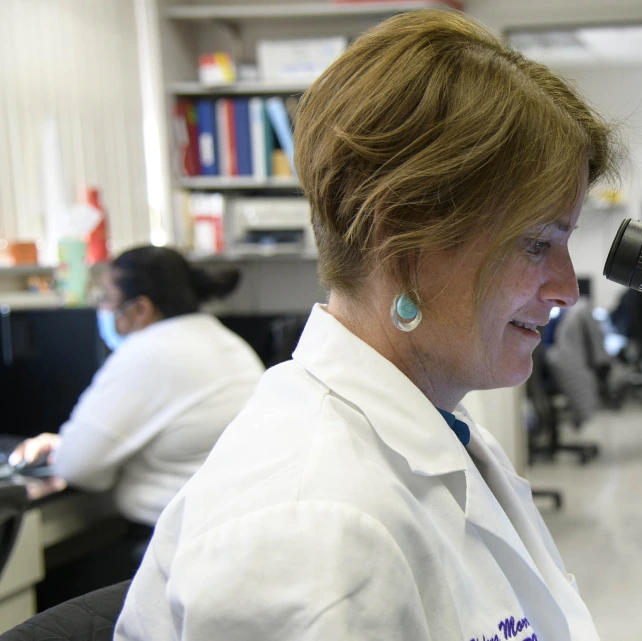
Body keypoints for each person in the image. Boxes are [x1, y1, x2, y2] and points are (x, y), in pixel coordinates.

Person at [116, 10, 615, 641]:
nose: (567, 289)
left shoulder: (442, 430)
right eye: (538, 244)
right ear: (401, 236)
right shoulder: (310, 528)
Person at [10, 246, 265, 529]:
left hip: (183, 538)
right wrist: (69, 445)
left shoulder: (150, 351)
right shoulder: (224, 341)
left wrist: (73, 452)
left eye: (106, 298)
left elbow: (77, 468)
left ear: (141, 308)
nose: (101, 310)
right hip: (234, 524)